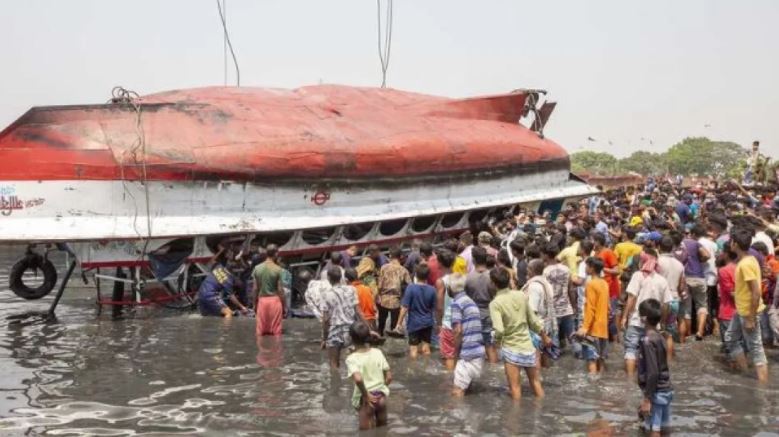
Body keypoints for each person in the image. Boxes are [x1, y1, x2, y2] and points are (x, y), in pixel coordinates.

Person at [490, 266, 551, 399]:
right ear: (508, 280)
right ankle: (541, 411)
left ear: (493, 284)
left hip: (511, 349)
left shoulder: (495, 303)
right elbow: (534, 321)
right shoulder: (520, 295)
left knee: (515, 388)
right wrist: (544, 337)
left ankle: (515, 418)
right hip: (527, 347)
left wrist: (496, 342)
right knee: (535, 383)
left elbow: (499, 330)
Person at [725, 228, 769, 382]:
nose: (730, 244)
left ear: (735, 244)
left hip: (749, 312)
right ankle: (745, 374)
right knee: (730, 338)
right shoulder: (748, 260)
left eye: (731, 241)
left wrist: (751, 318)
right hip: (742, 310)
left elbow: (756, 292)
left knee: (756, 349)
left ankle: (762, 386)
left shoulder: (745, 264)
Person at [622, 250, 673, 375]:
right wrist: (662, 322)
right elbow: (666, 305)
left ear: (644, 262)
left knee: (631, 350)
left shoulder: (637, 276)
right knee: (649, 352)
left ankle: (629, 379)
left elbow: (632, 297)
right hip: (653, 324)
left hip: (636, 321)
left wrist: (624, 317)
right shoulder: (662, 280)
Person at [345, 321, 392, 430]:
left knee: (366, 433)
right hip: (381, 397)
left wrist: (366, 395)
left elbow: (358, 379)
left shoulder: (352, 359)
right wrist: (381, 387)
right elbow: (389, 377)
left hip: (366, 399)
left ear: (351, 339)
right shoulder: (378, 352)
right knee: (382, 430)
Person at [636, 298, 673, 437]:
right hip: (666, 390)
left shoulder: (647, 341)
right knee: (663, 428)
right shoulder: (660, 337)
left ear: (644, 318)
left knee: (654, 429)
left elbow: (652, 372)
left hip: (656, 393)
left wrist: (647, 399)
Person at [449, 273, 486, 396]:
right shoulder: (470, 301)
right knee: (468, 392)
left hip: (468, 355)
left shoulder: (457, 303)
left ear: (450, 288)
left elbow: (458, 331)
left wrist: (455, 353)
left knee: (457, 393)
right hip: (478, 352)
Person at [321, 266, 361, 369]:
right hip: (351, 331)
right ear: (341, 277)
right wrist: (368, 329)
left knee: (334, 365)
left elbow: (326, 320)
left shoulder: (326, 294)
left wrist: (324, 339)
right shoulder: (351, 290)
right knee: (354, 364)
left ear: (329, 278)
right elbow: (359, 312)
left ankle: (335, 384)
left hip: (335, 332)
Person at [465, 246, 498, 363]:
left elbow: (466, 299)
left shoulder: (468, 278)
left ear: (473, 260)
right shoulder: (492, 277)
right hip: (490, 314)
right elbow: (496, 296)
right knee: (490, 346)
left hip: (473, 316)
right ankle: (493, 370)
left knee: (474, 347)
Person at [395, 263, 437, 358]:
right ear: (428, 276)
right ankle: (427, 367)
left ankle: (413, 369)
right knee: (426, 349)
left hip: (414, 324)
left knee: (413, 349)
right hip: (428, 323)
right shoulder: (432, 290)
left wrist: (399, 323)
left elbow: (404, 307)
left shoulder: (411, 288)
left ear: (416, 275)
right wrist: (438, 324)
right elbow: (435, 309)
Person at [576, 257, 610, 373]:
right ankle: (602, 383)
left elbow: (590, 308)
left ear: (592, 268)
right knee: (601, 358)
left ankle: (593, 386)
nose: (585, 268)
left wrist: (585, 327)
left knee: (591, 360)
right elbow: (608, 307)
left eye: (586, 266)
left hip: (593, 328)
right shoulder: (604, 283)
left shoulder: (591, 284)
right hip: (603, 327)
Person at [656, 236, 686, 356]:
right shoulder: (679, 265)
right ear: (672, 248)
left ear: (658, 247)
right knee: (669, 334)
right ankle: (669, 359)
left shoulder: (657, 262)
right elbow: (681, 287)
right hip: (674, 300)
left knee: (656, 331)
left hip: (660, 301)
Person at [542, 243, 575, 349]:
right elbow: (571, 290)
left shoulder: (545, 272)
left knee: (553, 344)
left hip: (552, 312)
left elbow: (544, 293)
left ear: (546, 255)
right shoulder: (566, 269)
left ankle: (554, 364)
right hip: (567, 309)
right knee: (573, 339)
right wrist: (573, 306)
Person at [682, 224, 711, 341]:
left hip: (685, 277)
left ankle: (688, 333)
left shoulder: (681, 243)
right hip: (698, 276)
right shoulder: (696, 243)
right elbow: (707, 255)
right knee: (702, 306)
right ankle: (699, 332)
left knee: (686, 308)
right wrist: (700, 260)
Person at [377, 246, 412, 334]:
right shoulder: (403, 270)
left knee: (381, 325)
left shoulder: (383, 268)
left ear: (390, 255)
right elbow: (410, 286)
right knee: (393, 327)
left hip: (383, 300)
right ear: (401, 257)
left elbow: (380, 285)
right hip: (396, 301)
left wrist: (378, 296)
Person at [253, 244, 286, 336]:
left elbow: (255, 289)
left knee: (260, 332)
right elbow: (280, 290)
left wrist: (254, 304)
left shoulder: (257, 268)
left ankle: (261, 350)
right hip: (275, 301)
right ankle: (276, 350)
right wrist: (284, 305)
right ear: (276, 254)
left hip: (262, 301)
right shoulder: (278, 269)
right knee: (276, 332)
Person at [593, 233, 621, 339]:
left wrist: (601, 268)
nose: (592, 243)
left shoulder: (608, 252)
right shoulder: (596, 253)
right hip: (600, 289)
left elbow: (617, 270)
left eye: (593, 240)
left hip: (611, 289)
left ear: (598, 242)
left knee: (610, 314)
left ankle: (614, 337)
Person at [434, 250, 458, 370]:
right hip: (461, 321)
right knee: (459, 354)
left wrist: (438, 323)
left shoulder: (441, 281)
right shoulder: (461, 278)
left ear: (440, 264)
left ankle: (451, 382)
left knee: (449, 355)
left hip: (448, 322)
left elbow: (439, 306)